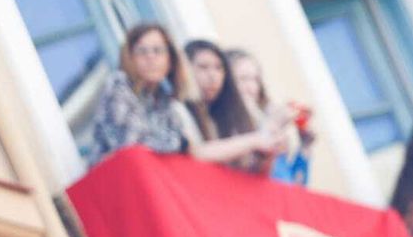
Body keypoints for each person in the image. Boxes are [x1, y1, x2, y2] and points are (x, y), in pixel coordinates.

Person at [88, 23, 281, 169]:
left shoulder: (164, 98)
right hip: (113, 181)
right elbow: (131, 142)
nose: (150, 58)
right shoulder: (119, 83)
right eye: (142, 51)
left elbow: (176, 147)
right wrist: (180, 144)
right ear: (129, 57)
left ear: (170, 60)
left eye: (158, 51)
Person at [184, 40, 278, 175]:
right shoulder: (178, 109)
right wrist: (256, 139)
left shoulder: (226, 113)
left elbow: (250, 176)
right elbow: (196, 154)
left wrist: (267, 156)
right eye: (203, 67)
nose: (212, 76)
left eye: (219, 68)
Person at [229, 48, 313, 184]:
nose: (251, 87)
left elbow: (293, 187)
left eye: (255, 79)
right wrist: (271, 125)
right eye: (243, 79)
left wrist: (305, 146)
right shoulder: (227, 126)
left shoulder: (267, 121)